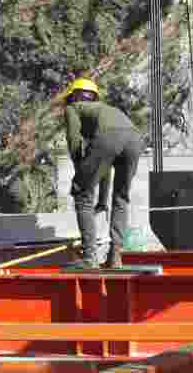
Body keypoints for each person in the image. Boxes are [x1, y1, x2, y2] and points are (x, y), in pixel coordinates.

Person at [63, 78, 143, 270]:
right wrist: (102, 201)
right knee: (121, 198)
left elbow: (73, 139)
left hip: (110, 138)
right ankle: (115, 256)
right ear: (95, 96)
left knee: (81, 195)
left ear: (73, 96)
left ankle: (90, 257)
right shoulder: (104, 111)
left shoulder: (73, 108)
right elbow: (104, 164)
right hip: (135, 138)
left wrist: (80, 171)